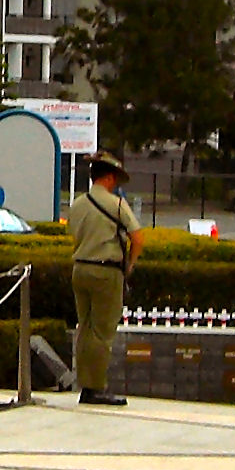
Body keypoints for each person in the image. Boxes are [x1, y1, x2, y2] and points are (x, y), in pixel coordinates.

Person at [67, 149, 143, 406]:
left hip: (80, 268)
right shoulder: (117, 205)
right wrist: (129, 264)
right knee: (102, 332)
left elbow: (73, 234)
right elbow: (138, 237)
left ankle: (85, 384)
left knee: (84, 328)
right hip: (106, 271)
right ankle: (95, 388)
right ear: (109, 178)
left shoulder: (77, 205)